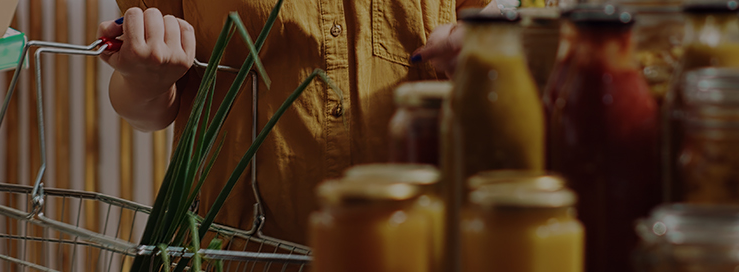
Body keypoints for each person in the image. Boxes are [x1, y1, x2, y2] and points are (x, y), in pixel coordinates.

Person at [99, 0, 497, 244]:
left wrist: (483, 53)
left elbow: (497, 38)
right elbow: (146, 110)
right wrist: (145, 80)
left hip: (418, 244)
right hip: (244, 251)